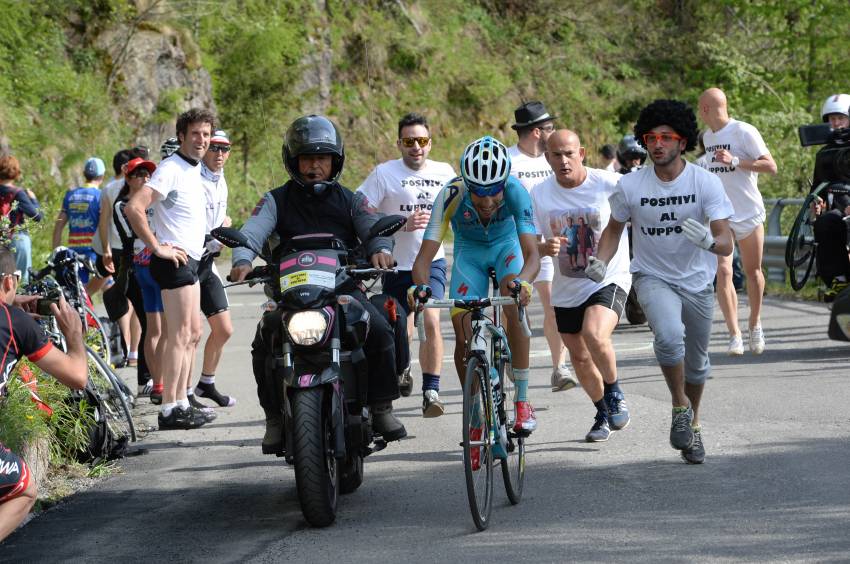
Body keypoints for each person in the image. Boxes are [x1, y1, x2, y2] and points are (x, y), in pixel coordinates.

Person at [229, 114, 407, 453]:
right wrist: (241, 259)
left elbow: (372, 227)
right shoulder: (274, 200)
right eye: (307, 158)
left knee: (381, 326)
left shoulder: (351, 199)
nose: (314, 166)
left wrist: (381, 249)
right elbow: (252, 231)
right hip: (290, 294)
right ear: (293, 161)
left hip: (342, 289)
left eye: (322, 158)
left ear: (334, 161)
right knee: (263, 339)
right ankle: (275, 419)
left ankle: (382, 407)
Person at [587, 99, 734, 464]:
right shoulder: (630, 186)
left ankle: (692, 424)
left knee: (698, 366)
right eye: (651, 137)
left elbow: (727, 240)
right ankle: (678, 407)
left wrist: (709, 242)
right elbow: (613, 229)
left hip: (698, 282)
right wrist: (599, 262)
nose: (657, 144)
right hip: (652, 276)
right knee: (669, 337)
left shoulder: (706, 182)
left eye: (666, 138)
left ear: (682, 142)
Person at [411, 135, 540, 441]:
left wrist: (525, 283)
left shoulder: (516, 191)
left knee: (514, 299)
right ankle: (474, 415)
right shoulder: (451, 194)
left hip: (506, 247)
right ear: (467, 184)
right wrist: (421, 288)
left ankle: (522, 401)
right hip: (469, 254)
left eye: (494, 192)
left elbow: (533, 255)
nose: (487, 202)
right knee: (463, 333)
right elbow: (422, 261)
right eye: (479, 193)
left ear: (503, 183)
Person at [532, 129, 631, 442]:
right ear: (547, 157)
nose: (563, 161)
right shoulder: (539, 193)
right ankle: (602, 410)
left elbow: (642, 213)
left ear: (582, 153)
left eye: (569, 153)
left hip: (609, 276)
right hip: (567, 288)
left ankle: (615, 394)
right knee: (579, 357)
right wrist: (544, 247)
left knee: (594, 333)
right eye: (556, 155)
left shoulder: (609, 183)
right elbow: (531, 242)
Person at [356, 112, 456, 417]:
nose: (416, 147)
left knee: (431, 319)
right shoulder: (383, 173)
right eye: (410, 141)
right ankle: (403, 370)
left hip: (431, 262)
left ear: (430, 142)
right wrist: (402, 224)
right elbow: (361, 212)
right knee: (402, 326)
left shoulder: (445, 171)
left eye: (422, 140)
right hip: (395, 266)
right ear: (399, 143)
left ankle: (432, 390)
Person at [125, 108, 217, 431]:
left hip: (191, 259)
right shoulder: (170, 168)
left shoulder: (194, 169)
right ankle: (168, 409)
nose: (201, 140)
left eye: (206, 134)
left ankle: (181, 401)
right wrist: (155, 247)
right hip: (171, 261)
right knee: (178, 335)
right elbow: (133, 207)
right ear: (181, 136)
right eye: (195, 134)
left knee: (192, 333)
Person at [0, 246, 87, 541]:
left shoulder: (15, 319)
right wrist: (75, 335)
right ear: (10, 281)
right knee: (23, 489)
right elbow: (77, 377)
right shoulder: (15, 322)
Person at [698, 88, 777, 355]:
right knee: (724, 271)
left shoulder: (744, 131)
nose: (699, 112)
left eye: (700, 107)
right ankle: (734, 334)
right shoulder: (707, 137)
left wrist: (736, 161)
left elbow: (771, 166)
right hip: (721, 215)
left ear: (707, 108)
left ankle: (755, 324)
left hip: (748, 211)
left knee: (754, 272)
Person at [506, 100, 575, 392]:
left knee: (555, 305)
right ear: (536, 132)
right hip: (513, 243)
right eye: (550, 128)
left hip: (550, 243)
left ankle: (560, 368)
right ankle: (509, 355)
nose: (554, 132)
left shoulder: (554, 159)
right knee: (513, 306)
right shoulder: (508, 161)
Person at [190, 129, 236, 409]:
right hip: (192, 261)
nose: (219, 154)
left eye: (225, 149)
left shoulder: (221, 179)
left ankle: (206, 383)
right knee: (190, 333)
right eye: (214, 148)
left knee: (224, 329)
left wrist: (225, 226)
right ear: (205, 148)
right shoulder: (194, 178)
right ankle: (182, 394)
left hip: (209, 263)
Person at [96, 148, 142, 368]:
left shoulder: (108, 189)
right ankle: (133, 351)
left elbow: (103, 222)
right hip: (131, 248)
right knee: (135, 299)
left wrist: (105, 249)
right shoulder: (142, 187)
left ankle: (125, 345)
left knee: (124, 297)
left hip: (114, 248)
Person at [52, 157, 108, 295]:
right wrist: (107, 249)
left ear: (84, 174)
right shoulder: (100, 196)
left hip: (74, 251)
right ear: (102, 176)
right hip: (94, 251)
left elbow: (59, 225)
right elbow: (103, 225)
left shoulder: (70, 195)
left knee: (78, 290)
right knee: (108, 283)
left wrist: (56, 253)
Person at [812, 93, 850, 298]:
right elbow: (818, 188)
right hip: (839, 209)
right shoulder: (825, 153)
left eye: (840, 118)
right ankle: (839, 280)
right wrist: (816, 201)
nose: (836, 123)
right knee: (825, 223)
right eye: (832, 119)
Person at [0, 156, 42, 284]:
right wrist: (34, 200)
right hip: (17, 239)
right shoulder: (18, 193)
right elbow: (37, 216)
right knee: (20, 283)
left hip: (1, 239)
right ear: (15, 173)